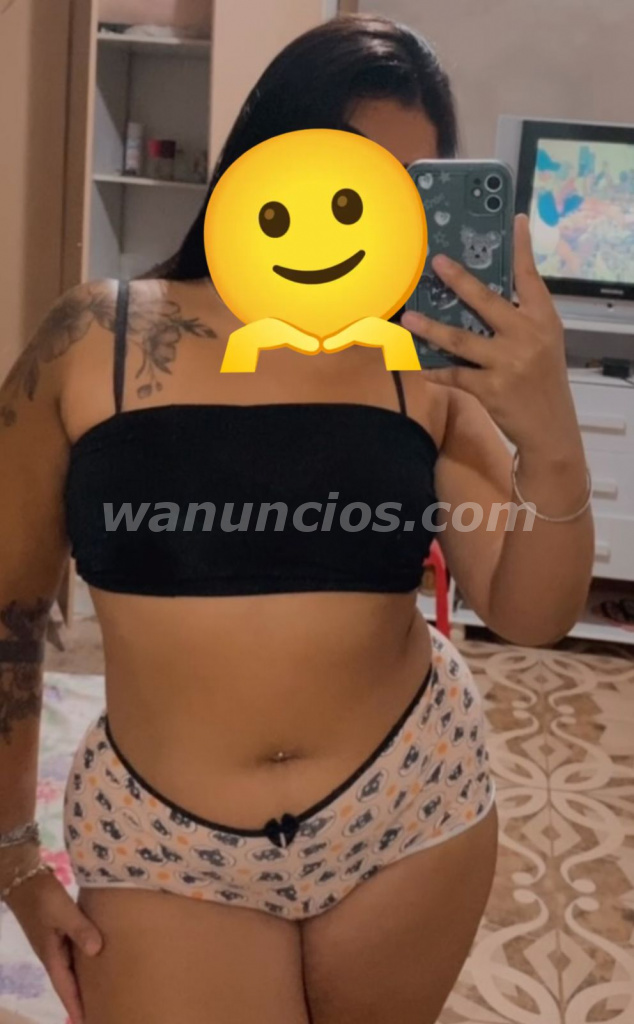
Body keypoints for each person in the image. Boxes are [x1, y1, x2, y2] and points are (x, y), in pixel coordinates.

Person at [0, 13, 594, 1024]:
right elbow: (9, 614)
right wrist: (14, 850)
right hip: (166, 845)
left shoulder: (425, 367)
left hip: (411, 810)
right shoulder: (94, 339)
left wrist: (550, 429)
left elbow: (531, 613)